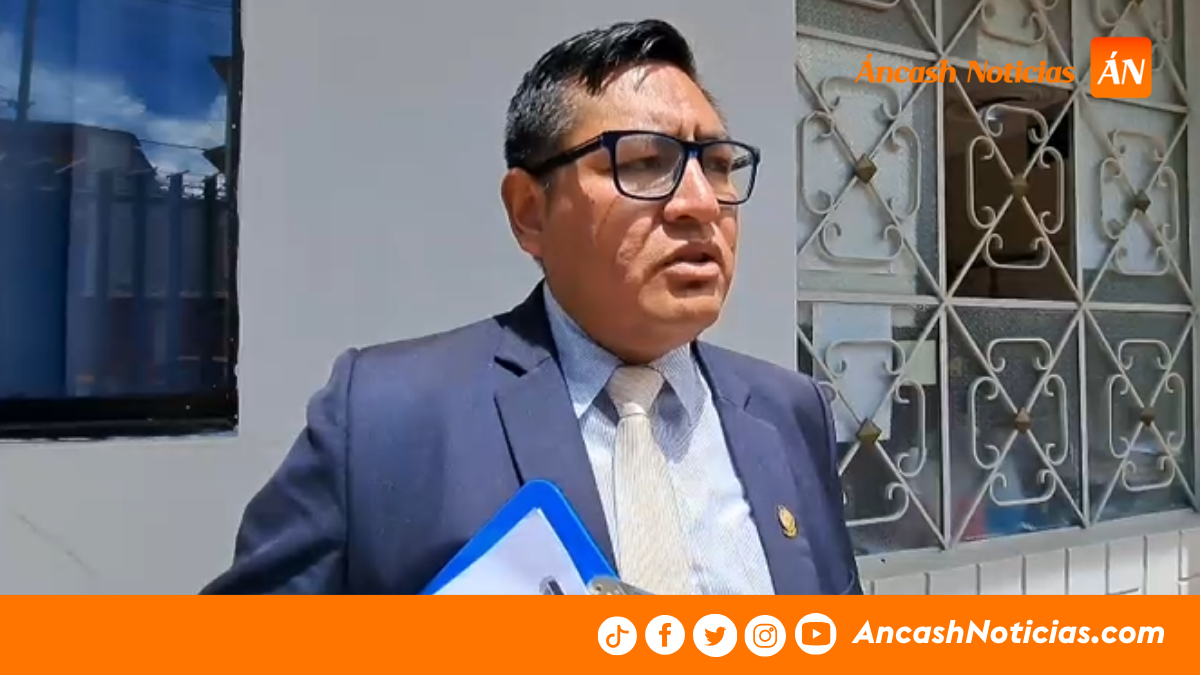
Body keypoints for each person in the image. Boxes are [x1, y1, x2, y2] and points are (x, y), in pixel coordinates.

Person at [201, 18, 861, 595]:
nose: (700, 203)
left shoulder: (790, 412)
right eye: (644, 162)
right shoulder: (385, 416)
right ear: (529, 212)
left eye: (716, 164)